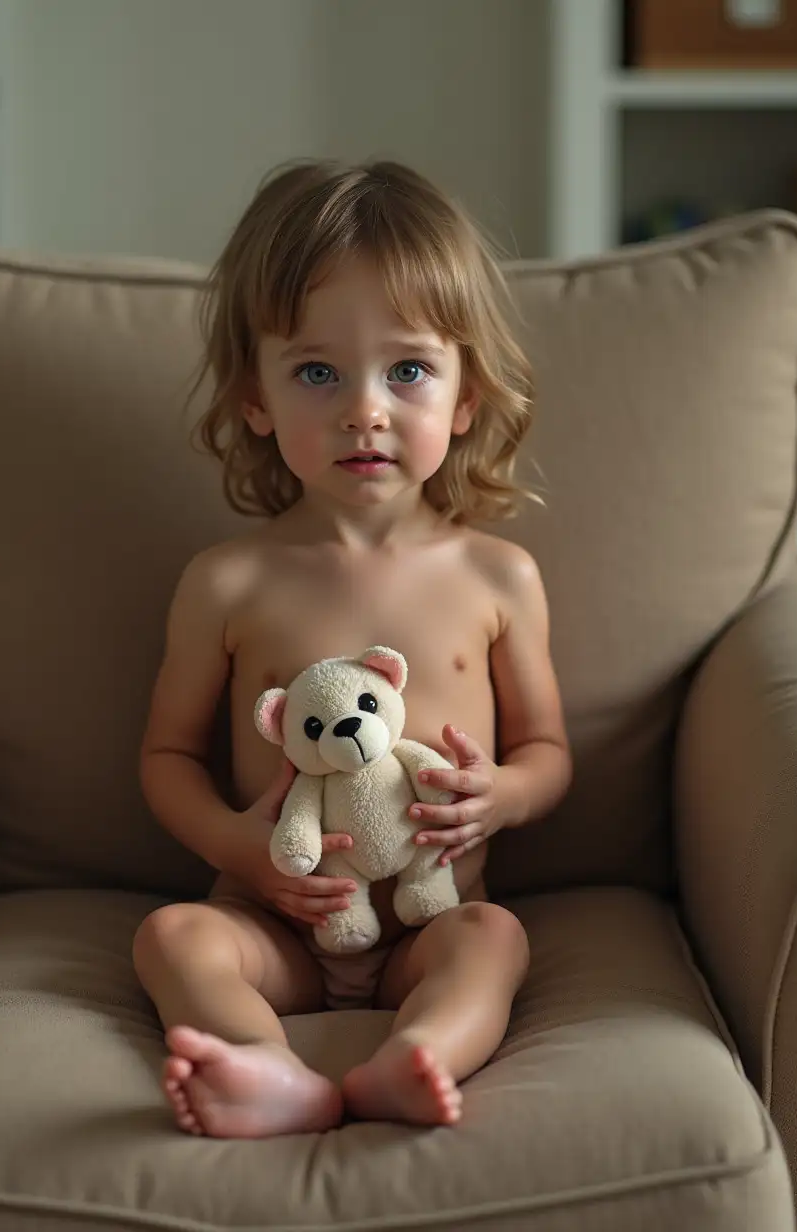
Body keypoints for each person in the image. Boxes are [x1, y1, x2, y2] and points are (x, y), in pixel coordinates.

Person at [132, 159, 572, 1139]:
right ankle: (269, 1069)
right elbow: (164, 757)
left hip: (429, 919)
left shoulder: (498, 578)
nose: (363, 408)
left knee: (493, 939)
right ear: (255, 397)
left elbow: (548, 752)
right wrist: (237, 843)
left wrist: (503, 791)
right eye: (317, 371)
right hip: (275, 921)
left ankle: (414, 1058)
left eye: (407, 369)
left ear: (465, 398)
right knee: (171, 937)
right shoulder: (226, 581)